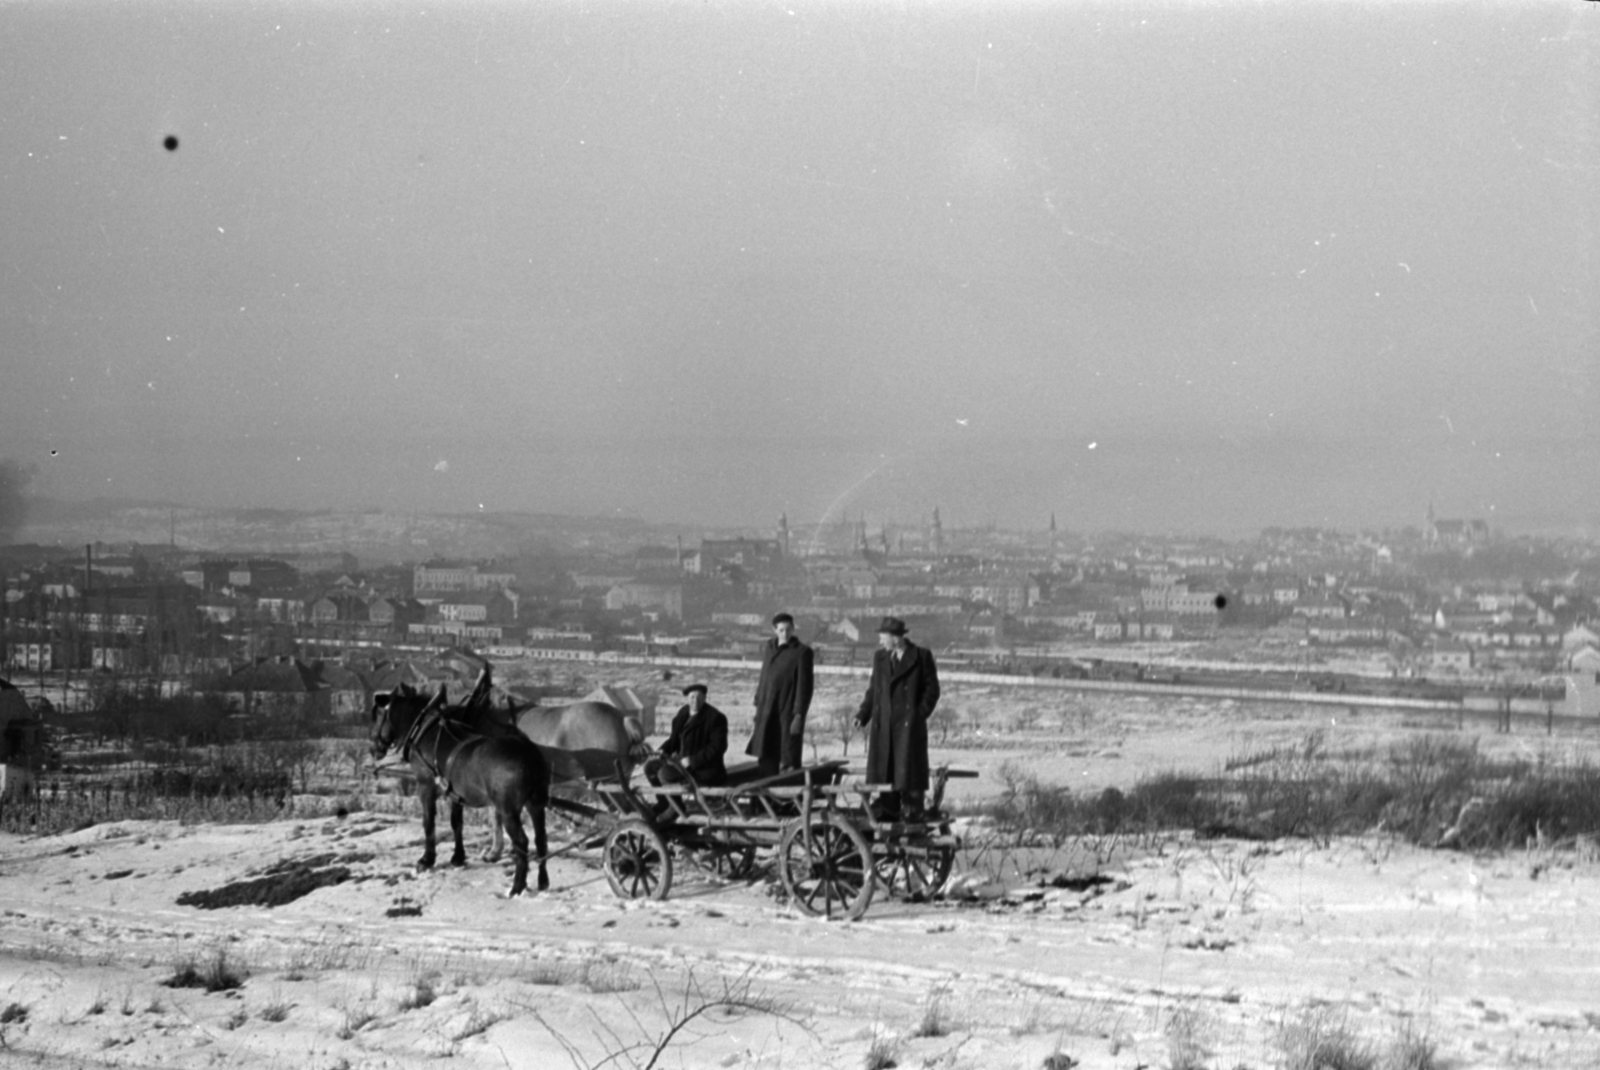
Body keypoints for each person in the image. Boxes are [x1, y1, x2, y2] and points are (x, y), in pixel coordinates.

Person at [855, 616, 941, 821]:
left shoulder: (921, 656)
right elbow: (874, 690)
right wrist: (863, 714)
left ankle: (913, 814)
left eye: (883, 637)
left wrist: (917, 715)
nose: (880, 641)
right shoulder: (880, 657)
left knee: (910, 774)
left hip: (908, 729)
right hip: (884, 727)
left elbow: (932, 690)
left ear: (895, 638)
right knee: (886, 772)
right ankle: (889, 813)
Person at [746, 612, 815, 774]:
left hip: (787, 710)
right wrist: (758, 702)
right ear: (774, 630)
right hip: (767, 708)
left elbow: (805, 688)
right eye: (782, 630)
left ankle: (788, 788)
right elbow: (764, 676)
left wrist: (798, 715)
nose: (785, 634)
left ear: (793, 629)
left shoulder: (802, 652)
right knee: (766, 751)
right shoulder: (769, 647)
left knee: (788, 755)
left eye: (789, 629)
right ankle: (766, 786)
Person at [647, 683, 728, 788]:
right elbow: (674, 739)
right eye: (692, 697)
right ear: (687, 699)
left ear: (705, 698)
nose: (695, 701)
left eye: (699, 697)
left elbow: (718, 747)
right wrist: (662, 750)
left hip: (704, 770)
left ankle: (675, 799)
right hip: (682, 765)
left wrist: (692, 760)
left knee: (664, 774)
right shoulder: (683, 713)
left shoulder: (715, 718)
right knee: (650, 767)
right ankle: (663, 798)